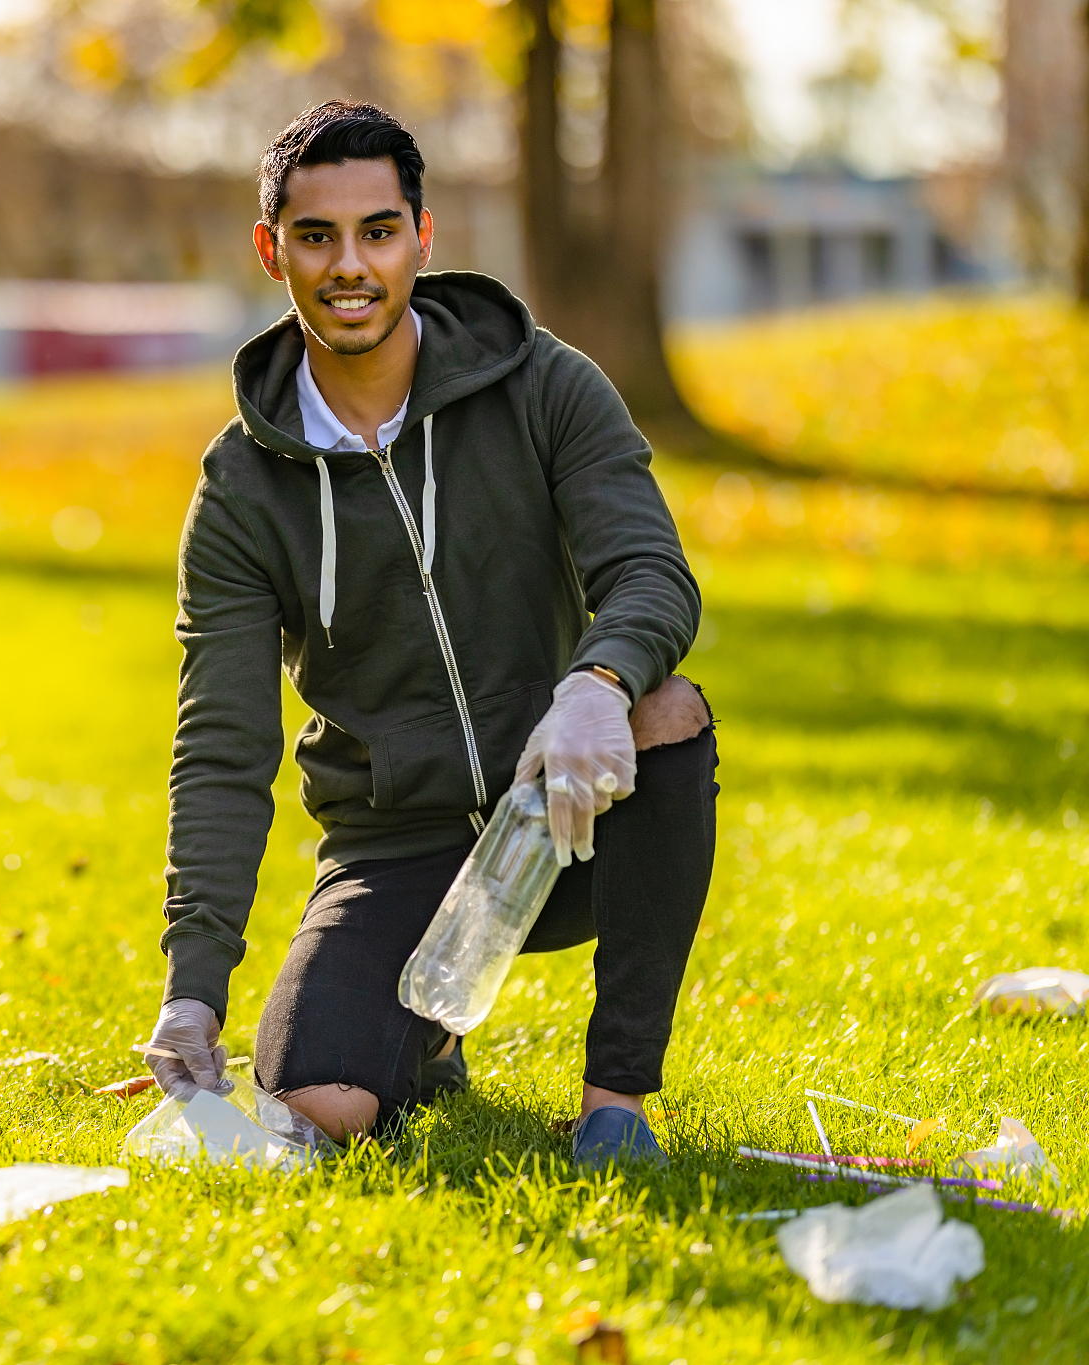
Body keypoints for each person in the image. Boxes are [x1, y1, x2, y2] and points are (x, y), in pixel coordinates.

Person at [143, 101, 717, 1167]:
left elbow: (649, 573)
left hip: (562, 807)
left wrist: (594, 682)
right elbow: (220, 748)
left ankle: (613, 1104)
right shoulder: (238, 489)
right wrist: (192, 989)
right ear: (271, 251)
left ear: (422, 235)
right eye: (315, 237)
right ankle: (420, 1036)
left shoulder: (544, 385)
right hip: (392, 844)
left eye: (376, 231)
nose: (347, 265)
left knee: (664, 711)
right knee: (318, 1109)